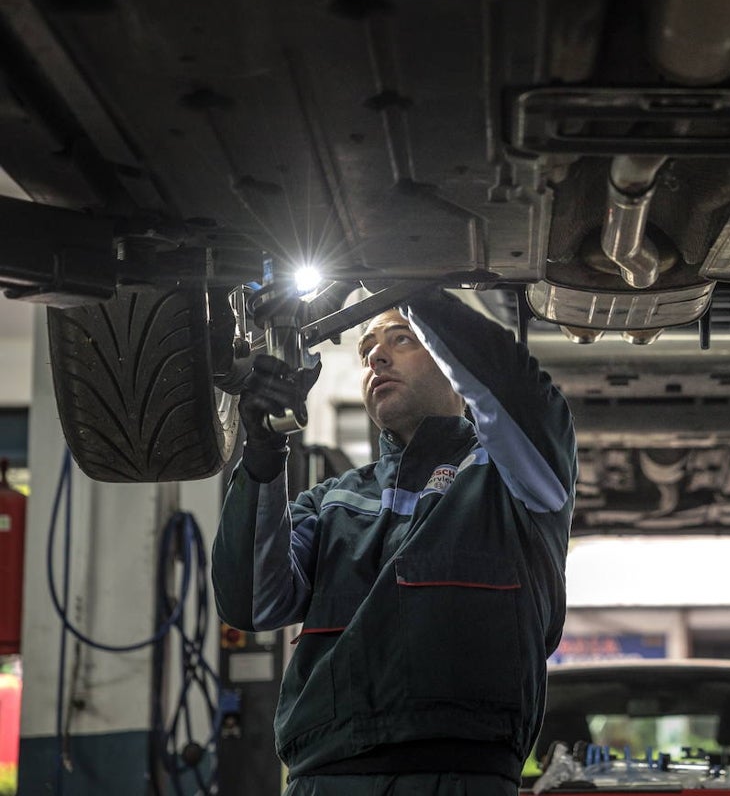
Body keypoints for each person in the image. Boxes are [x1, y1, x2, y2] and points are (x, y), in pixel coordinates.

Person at [211, 288, 577, 796]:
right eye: (366, 350)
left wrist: (405, 281)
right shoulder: (333, 500)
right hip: (325, 778)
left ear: (450, 358)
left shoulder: (512, 484)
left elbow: (516, 387)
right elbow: (251, 600)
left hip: (459, 777)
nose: (376, 357)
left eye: (400, 339)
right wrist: (264, 449)